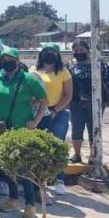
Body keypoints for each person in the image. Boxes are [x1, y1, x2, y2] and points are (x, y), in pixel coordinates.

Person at [0, 46, 48, 218]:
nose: (6, 63)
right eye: (4, 60)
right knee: (6, 167)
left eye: (10, 60)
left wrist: (35, 121)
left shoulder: (29, 79)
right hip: (1, 131)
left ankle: (29, 204)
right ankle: (13, 199)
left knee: (24, 169)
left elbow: (44, 101)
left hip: (21, 132)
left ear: (18, 61)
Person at [29, 44, 72, 196]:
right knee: (39, 147)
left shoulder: (63, 71)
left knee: (58, 146)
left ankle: (59, 180)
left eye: (53, 53)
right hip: (39, 113)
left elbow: (68, 94)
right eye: (47, 52)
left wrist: (55, 110)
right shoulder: (34, 70)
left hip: (57, 112)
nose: (49, 55)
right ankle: (40, 181)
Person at [68, 39, 109, 164]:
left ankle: (93, 157)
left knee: (94, 130)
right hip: (76, 102)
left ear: (88, 50)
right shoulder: (70, 65)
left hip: (96, 102)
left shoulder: (98, 63)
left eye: (81, 50)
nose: (79, 52)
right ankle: (77, 155)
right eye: (76, 51)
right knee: (77, 129)